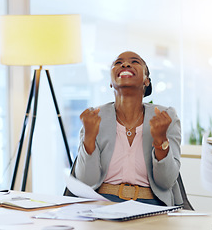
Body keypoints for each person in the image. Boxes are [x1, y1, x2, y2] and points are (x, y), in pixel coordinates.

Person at [74, 51, 183, 207]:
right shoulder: (94, 117)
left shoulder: (165, 117)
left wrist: (160, 141)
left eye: (135, 62)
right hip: (102, 205)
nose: (125, 64)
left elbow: (166, 182)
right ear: (111, 82)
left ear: (147, 81)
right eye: (118, 63)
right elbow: (86, 181)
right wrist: (89, 138)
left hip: (152, 205)